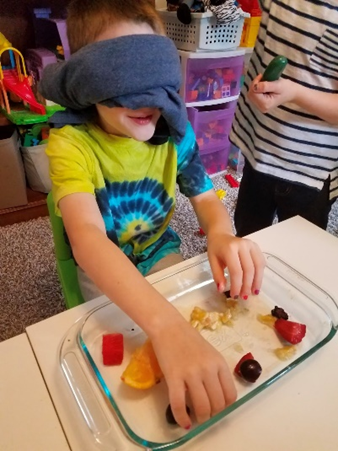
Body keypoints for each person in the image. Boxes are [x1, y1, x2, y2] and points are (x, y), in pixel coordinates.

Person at [40, 0, 265, 429]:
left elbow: (207, 200)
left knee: (200, 328)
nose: (148, 103)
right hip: (106, 269)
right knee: (122, 365)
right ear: (88, 82)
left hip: (161, 251)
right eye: (124, 79)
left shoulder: (172, 134)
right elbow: (87, 238)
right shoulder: (70, 143)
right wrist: (164, 327)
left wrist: (220, 234)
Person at [230, 0, 338, 237]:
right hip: (259, 144)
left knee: (300, 250)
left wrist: (296, 93)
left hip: (312, 166)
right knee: (248, 233)